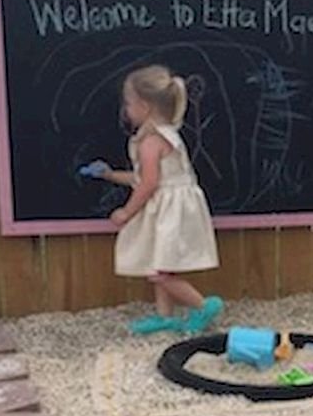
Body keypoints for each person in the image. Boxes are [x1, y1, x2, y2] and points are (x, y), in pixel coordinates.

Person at [82, 65, 223, 335]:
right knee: (161, 263)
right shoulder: (167, 134)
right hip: (174, 207)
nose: (125, 109)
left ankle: (203, 306)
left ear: (144, 107)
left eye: (128, 103)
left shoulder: (151, 142)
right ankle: (164, 316)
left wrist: (126, 212)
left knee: (159, 272)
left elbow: (148, 183)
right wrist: (110, 174)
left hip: (170, 211)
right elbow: (142, 177)